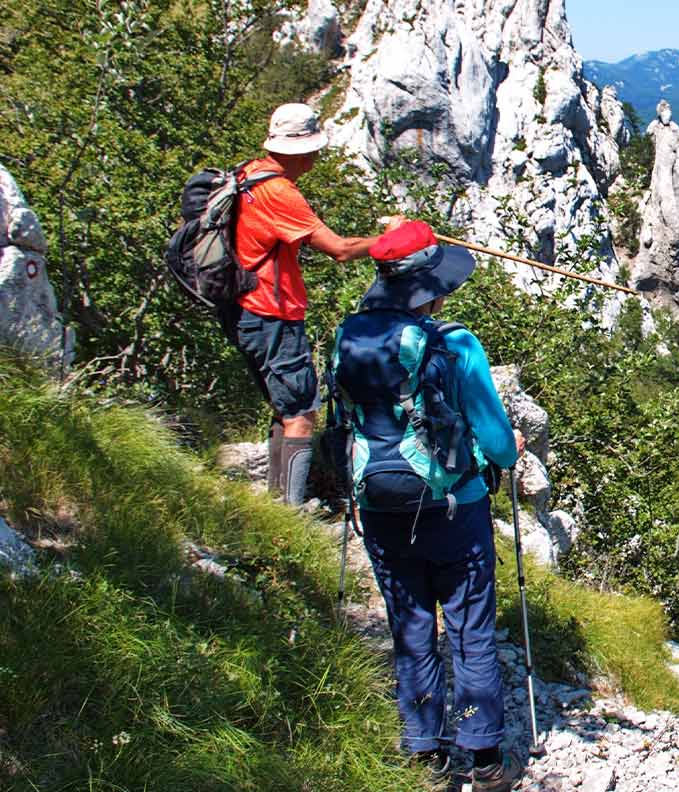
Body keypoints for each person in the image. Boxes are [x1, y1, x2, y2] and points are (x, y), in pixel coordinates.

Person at [339, 221, 527, 792]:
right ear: (429, 287)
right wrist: (510, 449)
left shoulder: (348, 337)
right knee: (469, 629)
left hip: (377, 508)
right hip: (453, 509)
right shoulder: (455, 344)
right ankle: (486, 761)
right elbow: (495, 443)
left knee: (411, 625)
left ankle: (425, 753)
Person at [221, 101, 402, 505]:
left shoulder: (249, 174)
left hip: (245, 309)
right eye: (316, 148)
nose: (319, 156)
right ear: (302, 149)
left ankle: (277, 503)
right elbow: (339, 249)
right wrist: (394, 239)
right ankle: (289, 513)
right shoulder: (279, 192)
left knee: (285, 407)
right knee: (302, 414)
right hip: (271, 312)